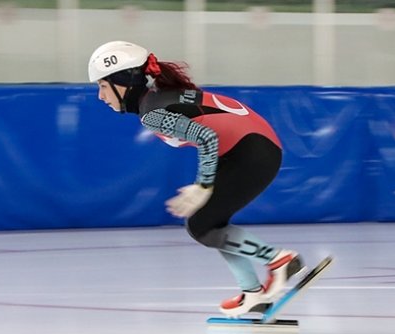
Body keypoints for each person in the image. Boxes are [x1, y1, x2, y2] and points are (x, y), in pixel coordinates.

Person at [88, 41, 304, 317]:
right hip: (252, 147)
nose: (100, 96)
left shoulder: (152, 113)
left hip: (253, 152)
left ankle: (279, 260)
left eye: (103, 86)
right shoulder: (158, 96)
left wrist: (203, 185)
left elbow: (206, 137)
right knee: (210, 224)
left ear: (124, 82)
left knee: (202, 224)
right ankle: (252, 293)